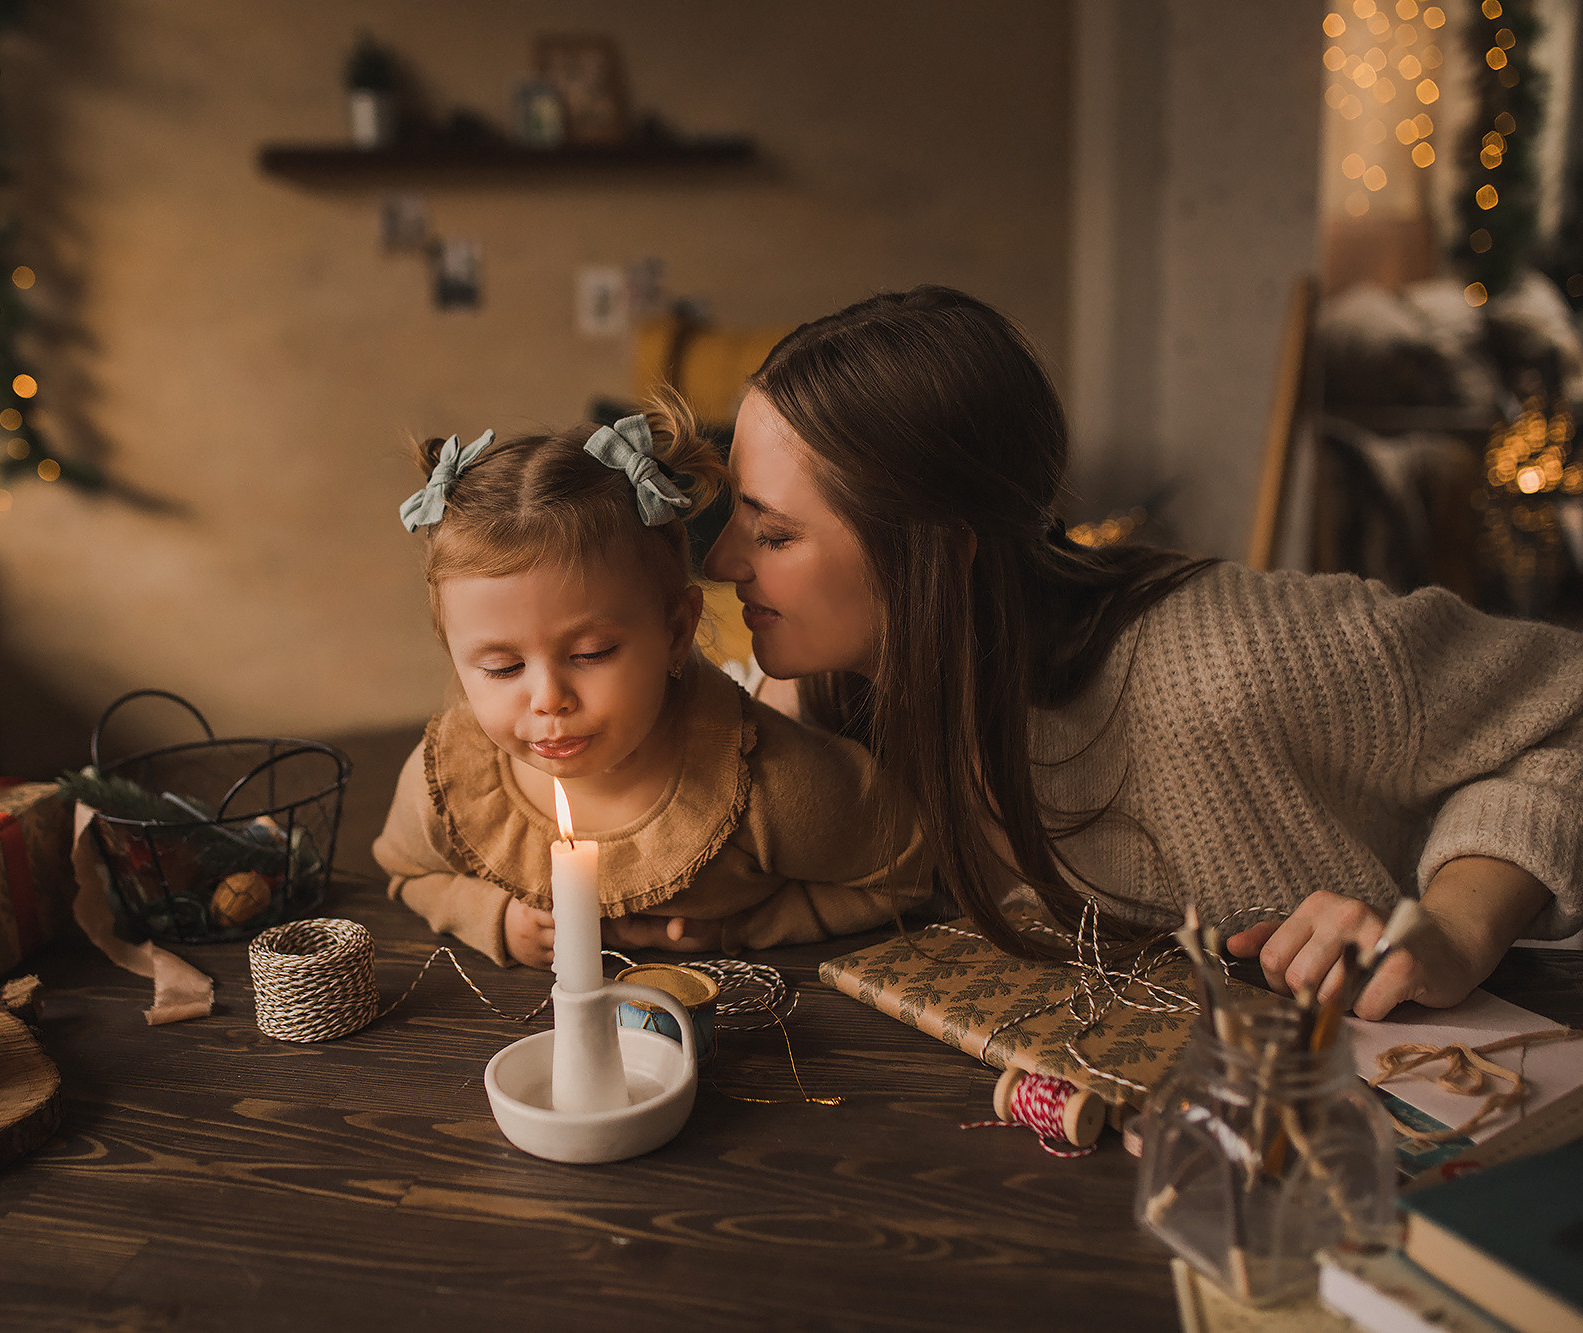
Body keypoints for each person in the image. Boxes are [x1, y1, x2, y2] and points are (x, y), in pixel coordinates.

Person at [652, 284, 1579, 1022]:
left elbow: (1567, 712)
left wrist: (1456, 926)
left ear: (934, 555)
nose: (726, 559)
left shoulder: (1231, 662)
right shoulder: (851, 691)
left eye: (771, 533)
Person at [373, 402, 923, 968]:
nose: (547, 700)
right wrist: (491, 917)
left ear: (676, 629)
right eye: (502, 669)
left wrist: (745, 926)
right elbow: (408, 872)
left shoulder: (767, 784)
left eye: (592, 653)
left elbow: (906, 874)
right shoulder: (449, 781)